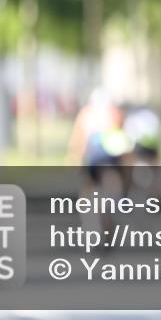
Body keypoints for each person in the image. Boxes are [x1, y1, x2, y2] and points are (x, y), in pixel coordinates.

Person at [68, 87, 132, 230]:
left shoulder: (86, 113)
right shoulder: (115, 112)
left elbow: (77, 138)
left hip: (94, 157)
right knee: (113, 184)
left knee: (88, 186)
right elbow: (124, 138)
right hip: (111, 157)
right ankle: (112, 205)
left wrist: (75, 157)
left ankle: (88, 216)